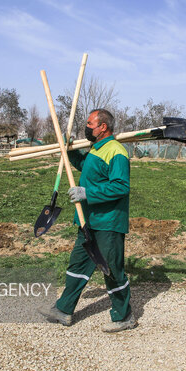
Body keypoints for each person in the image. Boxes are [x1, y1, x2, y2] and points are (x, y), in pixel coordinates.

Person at [42, 109, 135, 332]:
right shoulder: (97, 148)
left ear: (103, 127)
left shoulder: (116, 151)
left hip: (108, 222)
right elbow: (87, 167)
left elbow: (121, 186)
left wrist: (88, 193)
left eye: (90, 123)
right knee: (78, 264)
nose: (87, 127)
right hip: (88, 220)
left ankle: (125, 316)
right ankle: (63, 309)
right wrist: (69, 152)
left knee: (111, 268)